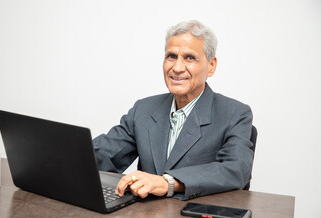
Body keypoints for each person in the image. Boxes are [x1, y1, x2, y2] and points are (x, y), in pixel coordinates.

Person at [93, 20, 254, 201]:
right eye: (171, 56)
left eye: (189, 58)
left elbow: (236, 170)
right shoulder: (144, 109)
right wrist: (62, 157)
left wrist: (168, 183)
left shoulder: (235, 114)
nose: (177, 68)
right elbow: (105, 154)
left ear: (211, 66)